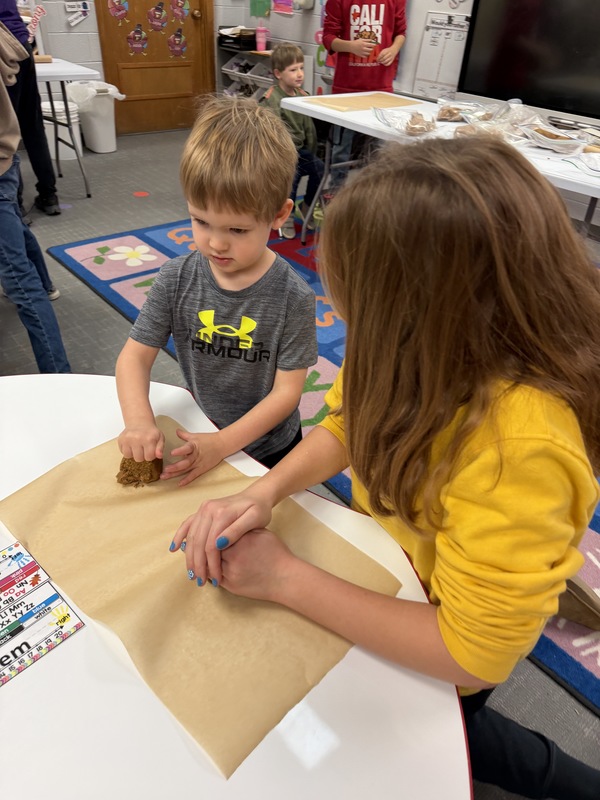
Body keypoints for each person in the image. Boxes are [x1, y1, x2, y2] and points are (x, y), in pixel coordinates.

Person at [171, 136, 600, 799]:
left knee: (448, 733)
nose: (335, 310)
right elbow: (347, 421)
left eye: (350, 296)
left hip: (437, 641)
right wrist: (269, 490)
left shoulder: (522, 447)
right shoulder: (407, 344)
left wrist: (283, 576)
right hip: (392, 578)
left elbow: (471, 653)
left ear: (425, 308)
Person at [116, 96, 318, 484]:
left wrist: (224, 444)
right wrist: (139, 422)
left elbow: (287, 394)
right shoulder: (176, 278)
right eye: (200, 221)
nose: (215, 244)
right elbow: (133, 359)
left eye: (237, 230)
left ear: (279, 215)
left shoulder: (293, 297)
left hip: (269, 448)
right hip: (201, 428)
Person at [0, 22, 70, 372]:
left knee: (19, 281)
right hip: (7, 159)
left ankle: (60, 377)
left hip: (2, 163)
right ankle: (46, 282)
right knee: (14, 232)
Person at [322, 0, 407, 191]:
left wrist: (393, 50)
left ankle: (372, 196)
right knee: (341, 150)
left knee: (379, 151)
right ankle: (335, 193)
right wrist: (350, 46)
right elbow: (328, 37)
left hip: (381, 89)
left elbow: (401, 33)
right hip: (346, 90)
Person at [0, 0, 61, 215]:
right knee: (32, 125)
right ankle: (49, 194)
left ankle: (15, 203)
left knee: (6, 131)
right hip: (21, 44)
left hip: (3, 49)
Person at [261, 43, 324, 239]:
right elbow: (270, 134)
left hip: (302, 152)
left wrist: (313, 152)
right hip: (280, 156)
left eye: (301, 68)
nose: (299, 74)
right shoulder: (271, 99)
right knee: (292, 177)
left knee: (321, 169)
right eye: (293, 70)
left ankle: (306, 206)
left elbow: (310, 131)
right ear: (278, 73)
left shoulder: (304, 96)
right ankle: (283, 215)